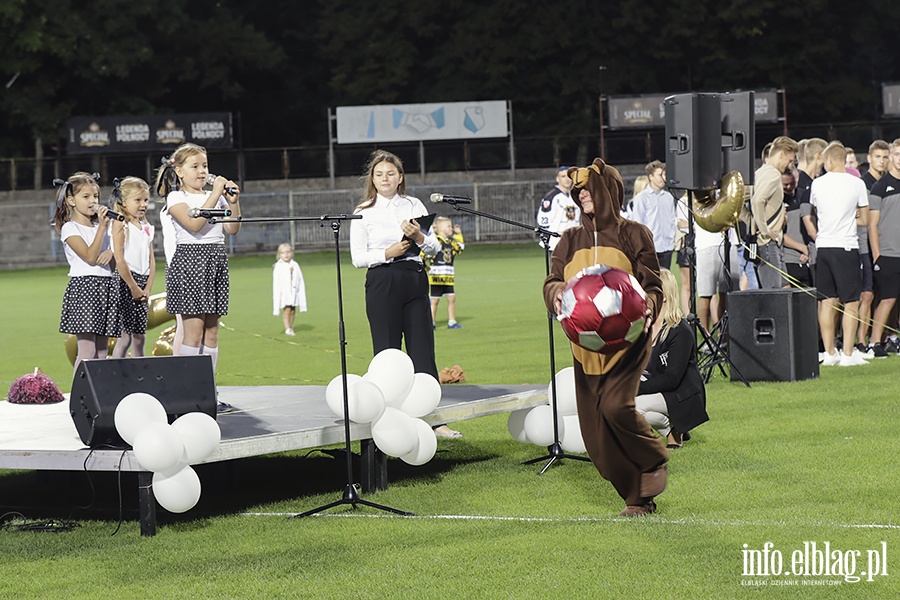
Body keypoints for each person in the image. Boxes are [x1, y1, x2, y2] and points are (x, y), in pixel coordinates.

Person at [543, 158, 666, 517]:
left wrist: (649, 306)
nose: (581, 196)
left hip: (628, 341)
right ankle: (637, 499)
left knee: (616, 408)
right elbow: (552, 281)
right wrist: (554, 294)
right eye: (578, 191)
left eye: (588, 190)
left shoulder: (634, 234)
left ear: (608, 192)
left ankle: (653, 457)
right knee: (595, 435)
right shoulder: (569, 239)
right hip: (585, 347)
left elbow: (653, 286)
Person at [349, 150, 460, 438]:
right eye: (379, 174)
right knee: (387, 352)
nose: (384, 178)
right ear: (372, 179)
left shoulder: (413, 204)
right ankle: (388, 419)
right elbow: (357, 257)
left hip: (414, 277)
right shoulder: (363, 211)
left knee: (423, 349)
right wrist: (388, 252)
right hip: (382, 280)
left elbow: (434, 247)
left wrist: (419, 237)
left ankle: (434, 419)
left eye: (390, 173)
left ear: (400, 178)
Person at [155, 143, 241, 413]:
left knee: (213, 330)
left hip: (215, 259)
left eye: (204, 165)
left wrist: (234, 202)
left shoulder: (214, 196)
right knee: (193, 330)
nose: (202, 171)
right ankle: (188, 392)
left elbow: (232, 228)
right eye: (195, 167)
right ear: (179, 171)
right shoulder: (176, 198)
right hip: (190, 262)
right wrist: (216, 194)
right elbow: (193, 224)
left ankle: (208, 391)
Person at [53, 172, 120, 373]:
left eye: (96, 196)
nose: (93, 201)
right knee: (87, 350)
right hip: (85, 289)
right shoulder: (70, 228)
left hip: (106, 287)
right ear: (71, 201)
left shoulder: (100, 226)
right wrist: (102, 229)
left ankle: (98, 397)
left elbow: (112, 265)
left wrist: (111, 252)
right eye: (86, 197)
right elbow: (90, 257)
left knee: (102, 350)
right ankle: (79, 398)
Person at [635, 269, 709, 449]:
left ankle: (644, 449)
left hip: (682, 393)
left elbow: (672, 379)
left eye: (648, 290)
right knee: (622, 404)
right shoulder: (645, 327)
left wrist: (635, 388)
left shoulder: (680, 331)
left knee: (633, 407)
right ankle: (671, 428)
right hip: (658, 386)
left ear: (664, 296)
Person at [811, 142, 870, 367]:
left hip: (823, 247)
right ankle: (847, 353)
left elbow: (817, 212)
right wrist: (851, 216)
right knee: (851, 302)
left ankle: (829, 352)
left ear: (830, 160)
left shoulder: (817, 184)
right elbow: (864, 220)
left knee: (827, 301)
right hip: (846, 247)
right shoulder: (857, 183)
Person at [110, 177, 155, 358]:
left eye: (145, 200)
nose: (143, 204)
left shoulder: (146, 226)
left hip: (142, 283)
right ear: (124, 201)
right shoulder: (121, 224)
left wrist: (147, 288)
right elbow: (119, 259)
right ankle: (116, 374)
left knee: (140, 337)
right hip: (125, 282)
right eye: (137, 200)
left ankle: (140, 374)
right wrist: (133, 287)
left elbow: (151, 260)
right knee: (125, 337)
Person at [745, 136, 799, 289]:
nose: (789, 165)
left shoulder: (760, 172)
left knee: (781, 291)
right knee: (774, 297)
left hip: (766, 244)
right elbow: (757, 201)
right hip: (768, 244)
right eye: (789, 160)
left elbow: (744, 199)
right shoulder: (773, 174)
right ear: (781, 154)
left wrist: (751, 221)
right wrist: (764, 230)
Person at [867, 138, 900, 358]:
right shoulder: (880, 186)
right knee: (887, 299)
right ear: (891, 157)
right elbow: (872, 224)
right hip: (888, 253)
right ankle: (874, 342)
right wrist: (877, 255)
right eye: (897, 154)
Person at [627, 160, 676, 270]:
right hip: (650, 248)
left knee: (666, 281)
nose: (663, 178)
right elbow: (638, 223)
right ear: (651, 177)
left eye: (664, 174)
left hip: (667, 246)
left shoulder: (669, 197)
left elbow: (672, 220)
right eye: (660, 175)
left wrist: (671, 237)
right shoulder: (641, 198)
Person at [425, 216, 465, 329]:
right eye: (448, 226)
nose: (451, 228)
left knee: (451, 298)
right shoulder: (436, 241)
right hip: (437, 277)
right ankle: (431, 323)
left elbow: (460, 249)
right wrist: (426, 267)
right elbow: (424, 254)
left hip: (448, 276)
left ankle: (452, 321)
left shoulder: (451, 243)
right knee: (434, 300)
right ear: (440, 228)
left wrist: (458, 235)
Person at [781, 167, 813, 287]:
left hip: (807, 259)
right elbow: (777, 233)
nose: (789, 187)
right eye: (785, 184)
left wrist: (809, 250)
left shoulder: (805, 196)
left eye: (792, 183)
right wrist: (803, 248)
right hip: (789, 260)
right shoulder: (777, 200)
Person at [536, 166, 579, 250]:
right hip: (557, 242)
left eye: (569, 176)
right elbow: (543, 221)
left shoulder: (575, 196)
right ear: (557, 179)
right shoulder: (552, 197)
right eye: (563, 176)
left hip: (573, 241)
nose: (567, 179)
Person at [273, 243, 307, 336]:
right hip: (285, 292)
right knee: (287, 309)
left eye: (288, 252)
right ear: (279, 254)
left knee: (292, 310)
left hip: (294, 291)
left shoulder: (295, 265)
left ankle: (291, 326)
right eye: (283, 253)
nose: (286, 254)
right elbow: (277, 281)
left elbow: (299, 278)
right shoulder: (279, 266)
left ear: (292, 253)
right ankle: (287, 328)